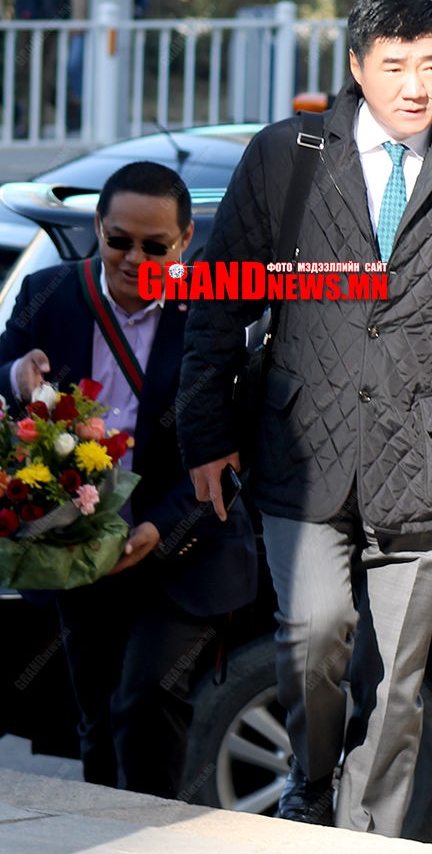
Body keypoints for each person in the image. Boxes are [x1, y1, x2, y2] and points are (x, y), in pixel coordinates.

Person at [177, 0, 432, 835]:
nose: (415, 86)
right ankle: (312, 776)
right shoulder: (286, 156)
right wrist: (204, 432)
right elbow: (219, 298)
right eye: (394, 66)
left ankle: (368, 837)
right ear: (357, 66)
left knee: (394, 679)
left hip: (427, 457)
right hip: (300, 444)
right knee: (313, 632)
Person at [0, 161, 257, 798]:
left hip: (183, 544)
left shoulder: (213, 309)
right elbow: (1, 369)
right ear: (98, 227)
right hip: (81, 549)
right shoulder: (50, 293)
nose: (134, 258)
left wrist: (157, 530)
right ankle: (109, 833)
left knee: (144, 700)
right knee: (96, 723)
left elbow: (233, 452)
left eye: (154, 246)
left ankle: (150, 832)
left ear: (186, 241)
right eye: (119, 240)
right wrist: (16, 375)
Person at [13, 0, 87, 135]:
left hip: (51, 21)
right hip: (26, 19)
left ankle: (31, 126)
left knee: (42, 75)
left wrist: (78, 18)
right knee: (25, 72)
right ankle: (72, 110)